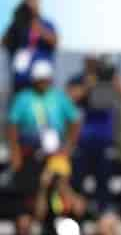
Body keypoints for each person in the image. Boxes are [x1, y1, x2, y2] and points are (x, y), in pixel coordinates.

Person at [67, 54, 121, 211]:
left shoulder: (112, 81)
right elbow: (68, 98)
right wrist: (89, 85)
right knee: (77, 181)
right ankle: (76, 211)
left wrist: (116, 83)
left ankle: (103, 212)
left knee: (104, 182)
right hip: (83, 141)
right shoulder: (80, 79)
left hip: (105, 141)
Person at [7, 60, 80, 197]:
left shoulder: (59, 97)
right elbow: (12, 125)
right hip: (29, 152)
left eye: (45, 80)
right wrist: (15, 152)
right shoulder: (23, 98)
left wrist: (69, 146)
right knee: (33, 187)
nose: (42, 83)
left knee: (59, 184)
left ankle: (69, 209)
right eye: (39, 80)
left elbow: (75, 120)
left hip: (56, 152)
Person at [2, 0, 58, 95]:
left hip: (41, 72)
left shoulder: (46, 23)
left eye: (34, 3)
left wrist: (40, 29)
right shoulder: (17, 24)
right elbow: (4, 41)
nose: (31, 6)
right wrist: (16, 20)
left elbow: (55, 42)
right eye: (28, 3)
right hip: (22, 74)